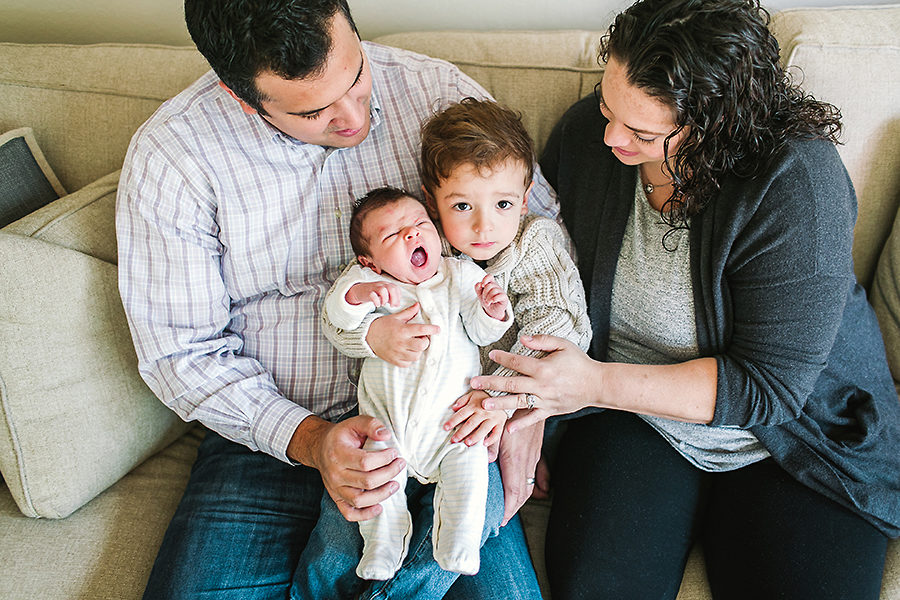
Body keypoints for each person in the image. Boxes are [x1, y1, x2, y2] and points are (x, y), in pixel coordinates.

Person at [115, 1, 556, 598]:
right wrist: (311, 440)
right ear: (242, 97)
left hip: (444, 420)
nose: (354, 118)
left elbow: (536, 248)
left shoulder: (437, 93)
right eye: (313, 110)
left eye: (356, 78)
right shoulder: (175, 157)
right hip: (267, 437)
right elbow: (180, 354)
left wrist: (523, 407)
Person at [468, 0, 900, 598]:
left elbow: (767, 390)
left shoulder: (797, 182)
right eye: (606, 107)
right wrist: (526, 409)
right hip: (631, 424)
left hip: (791, 438)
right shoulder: (587, 141)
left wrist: (586, 383)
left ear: (718, 127)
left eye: (643, 132)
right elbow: (533, 275)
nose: (610, 137)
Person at [301, 97, 592, 596]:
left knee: (474, 508)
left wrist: (503, 399)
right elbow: (342, 314)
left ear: (524, 200)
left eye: (502, 204)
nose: (484, 227)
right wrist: (372, 334)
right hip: (395, 416)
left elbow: (559, 328)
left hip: (480, 424)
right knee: (344, 531)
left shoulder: (533, 244)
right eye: (462, 206)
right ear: (431, 204)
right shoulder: (411, 253)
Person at [324, 187, 512, 582]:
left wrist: (493, 310)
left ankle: (459, 540)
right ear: (369, 260)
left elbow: (480, 332)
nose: (411, 235)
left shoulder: (458, 273)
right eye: (393, 236)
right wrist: (360, 295)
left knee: (471, 471)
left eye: (419, 225)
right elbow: (336, 311)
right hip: (386, 426)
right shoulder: (368, 282)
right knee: (377, 481)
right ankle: (382, 546)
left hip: (451, 424)